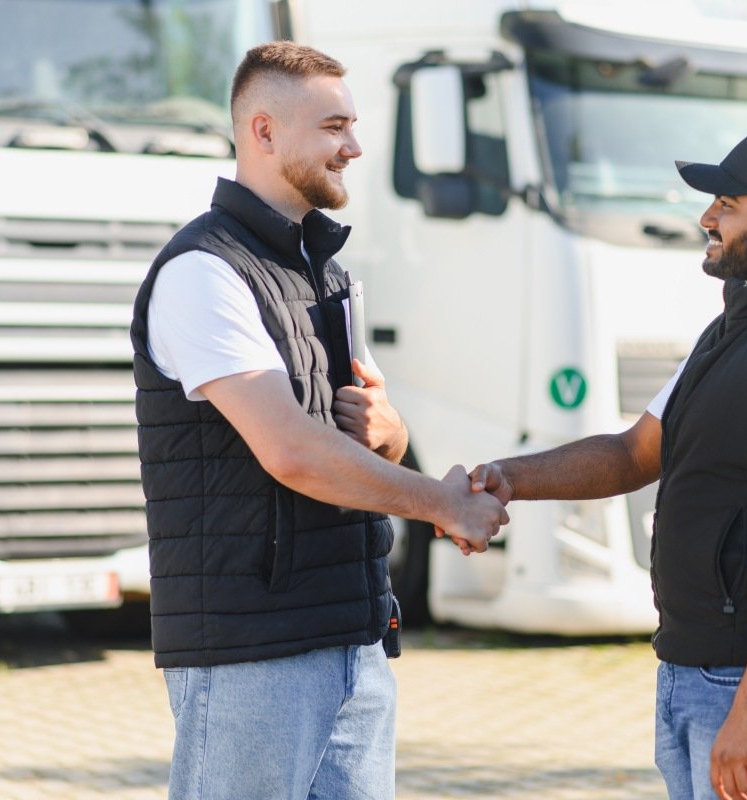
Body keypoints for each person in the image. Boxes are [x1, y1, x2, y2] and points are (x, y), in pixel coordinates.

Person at [129, 41, 507, 800]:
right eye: (334, 127)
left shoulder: (325, 273)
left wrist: (391, 432)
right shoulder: (203, 273)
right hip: (253, 656)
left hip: (352, 644)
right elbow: (293, 452)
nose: (355, 147)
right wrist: (442, 501)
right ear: (263, 132)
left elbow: (355, 439)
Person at [470, 126, 747, 800]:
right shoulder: (737, 330)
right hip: (699, 666)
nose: (706, 218)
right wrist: (509, 478)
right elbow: (633, 453)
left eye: (727, 203)